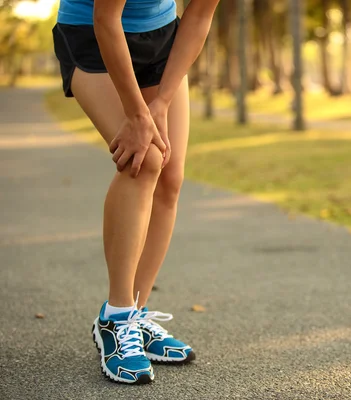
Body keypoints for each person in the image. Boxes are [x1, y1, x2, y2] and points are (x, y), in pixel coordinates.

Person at [52, 0, 219, 384]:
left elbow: (199, 14)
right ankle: (116, 317)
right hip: (94, 38)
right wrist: (139, 115)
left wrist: (160, 103)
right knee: (144, 161)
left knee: (170, 177)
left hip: (161, 38)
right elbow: (105, 17)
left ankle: (136, 315)